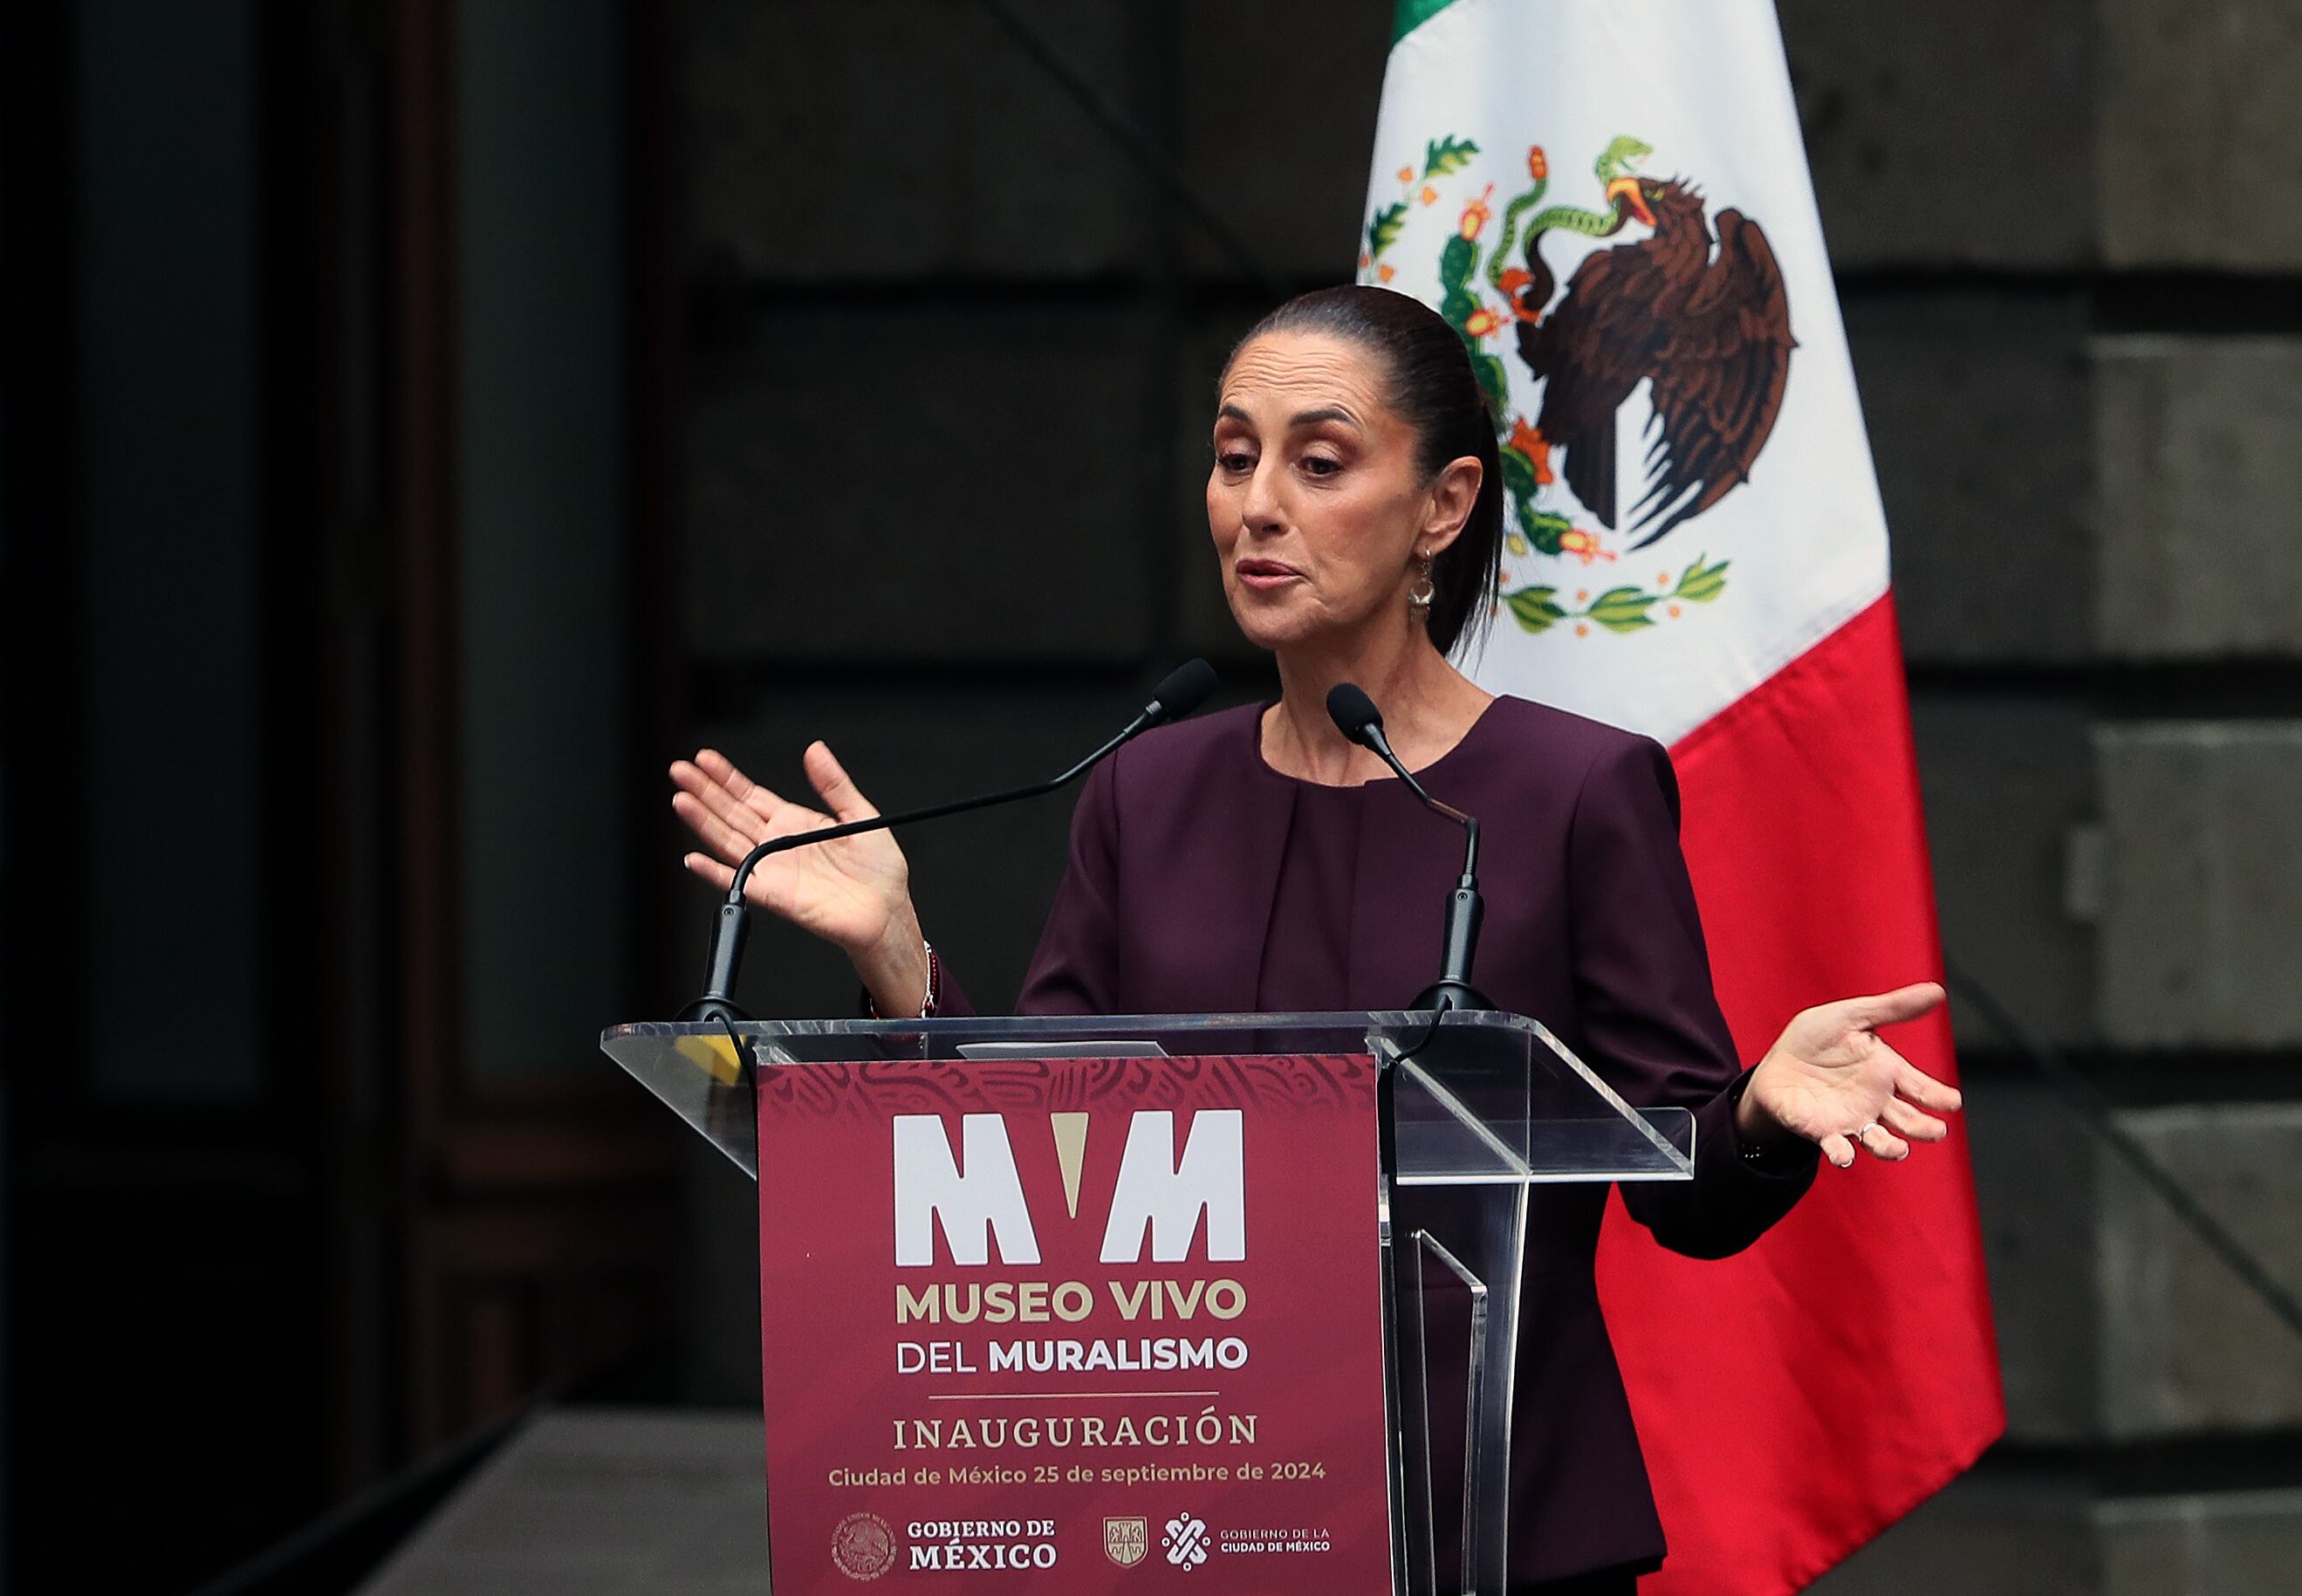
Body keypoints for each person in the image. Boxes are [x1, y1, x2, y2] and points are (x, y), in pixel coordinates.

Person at [669, 284, 1962, 1592]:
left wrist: (1756, 1114)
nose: (1258, 505)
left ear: (1444, 506)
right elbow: (1043, 1156)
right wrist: (897, 948)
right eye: (1235, 459)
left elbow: (1680, 1188)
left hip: (1499, 1532)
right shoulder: (1147, 790)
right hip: (1200, 1525)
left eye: (1319, 460)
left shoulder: (1575, 791)